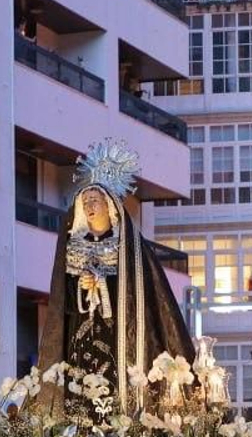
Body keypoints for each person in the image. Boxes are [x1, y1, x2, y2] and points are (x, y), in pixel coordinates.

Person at [34, 139, 196, 417]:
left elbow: (140, 295)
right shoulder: (73, 247)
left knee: (113, 392)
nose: (89, 205)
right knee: (80, 393)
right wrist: (82, 288)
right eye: (85, 201)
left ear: (109, 205)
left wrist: (102, 284)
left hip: (118, 337)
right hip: (81, 335)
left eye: (94, 200)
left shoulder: (130, 249)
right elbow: (63, 302)